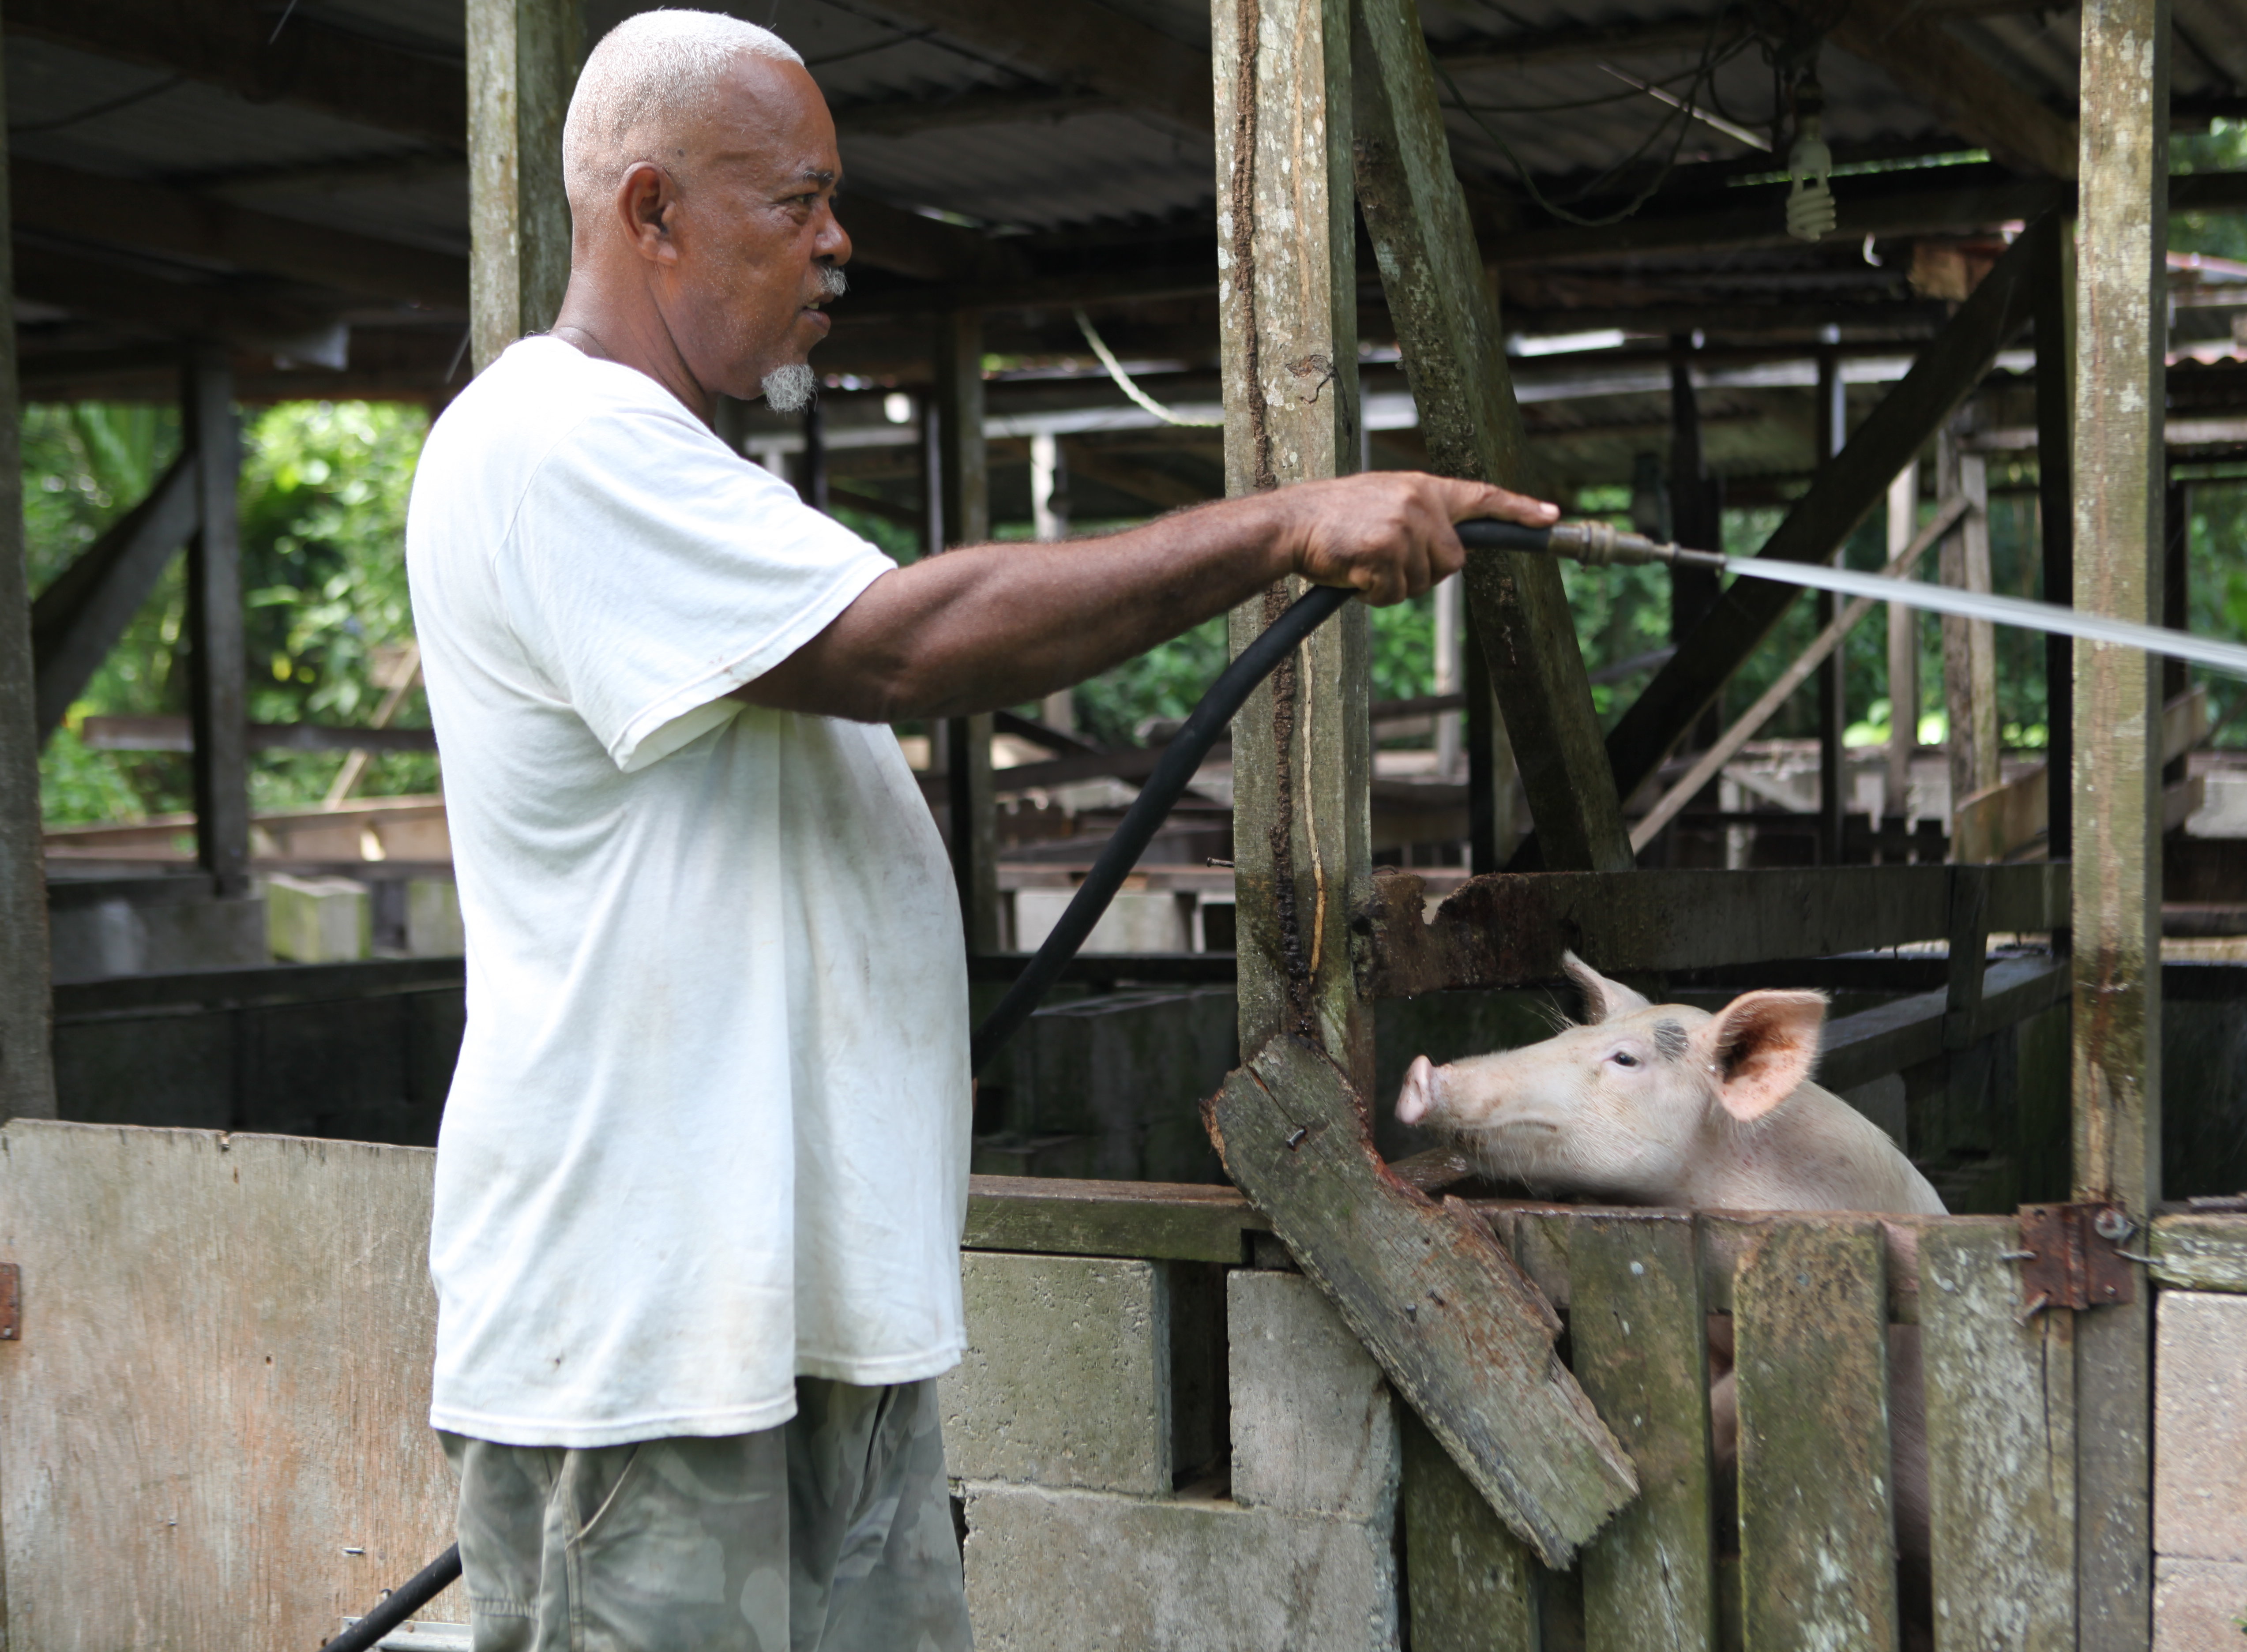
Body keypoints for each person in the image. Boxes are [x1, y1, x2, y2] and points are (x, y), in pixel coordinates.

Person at [405, 10, 1553, 1648]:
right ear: (650, 210)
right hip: (643, 1344)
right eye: (794, 203)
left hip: (805, 1335)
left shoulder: (688, 475)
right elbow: (905, 640)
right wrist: (1288, 523)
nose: (837, 242)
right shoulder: (552, 443)